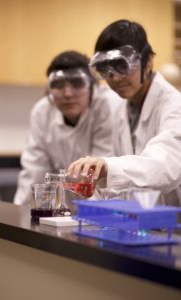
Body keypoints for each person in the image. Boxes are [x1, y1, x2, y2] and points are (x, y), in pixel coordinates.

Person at [67, 20, 181, 206]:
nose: (115, 78)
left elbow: (165, 166)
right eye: (105, 69)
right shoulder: (121, 108)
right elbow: (128, 183)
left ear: (149, 61)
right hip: (146, 223)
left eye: (123, 65)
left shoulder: (175, 106)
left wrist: (107, 166)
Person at [14, 50, 121, 205]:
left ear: (92, 86)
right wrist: (20, 217)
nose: (68, 94)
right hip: (65, 208)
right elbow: (34, 170)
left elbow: (99, 171)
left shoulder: (108, 106)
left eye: (77, 83)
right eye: (58, 85)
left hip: (107, 206)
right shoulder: (43, 111)